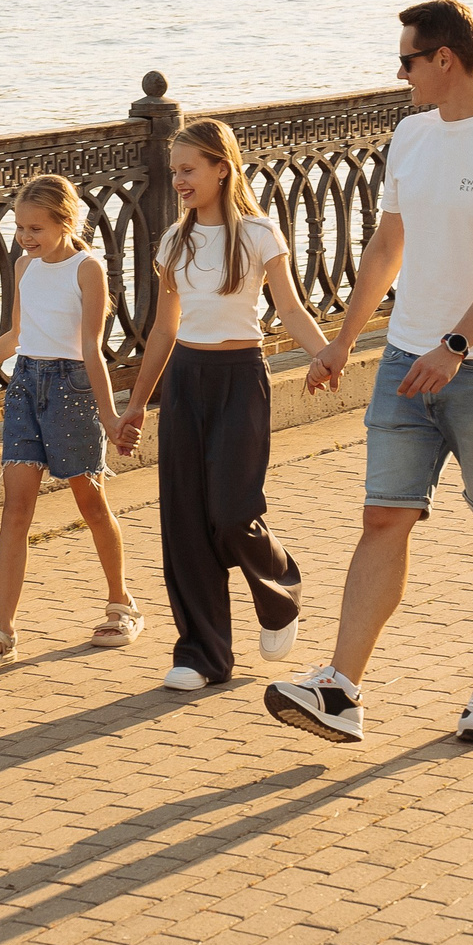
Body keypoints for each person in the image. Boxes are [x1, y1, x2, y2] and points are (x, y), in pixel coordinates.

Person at [269, 0, 473, 745]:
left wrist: (454, 345)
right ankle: (340, 688)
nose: (400, 74)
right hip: (404, 362)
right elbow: (386, 246)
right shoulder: (410, 135)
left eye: (407, 61)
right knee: (383, 515)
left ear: (444, 60)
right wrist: (342, 341)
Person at [113, 119, 331, 691]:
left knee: (233, 509)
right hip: (186, 379)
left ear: (221, 168)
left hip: (241, 378)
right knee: (184, 519)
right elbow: (163, 330)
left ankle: (279, 585)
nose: (179, 180)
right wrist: (135, 404)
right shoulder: (173, 240)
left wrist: (324, 356)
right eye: (174, 171)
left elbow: (289, 306)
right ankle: (202, 655)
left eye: (188, 170)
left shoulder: (259, 235)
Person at [0, 174, 145, 674]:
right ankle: (3, 631)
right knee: (16, 510)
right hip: (26, 385)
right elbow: (17, 335)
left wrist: (111, 415)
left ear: (65, 222)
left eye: (36, 228)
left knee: (90, 502)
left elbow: (92, 348)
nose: (26, 237)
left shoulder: (87, 268)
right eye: (20, 227)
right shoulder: (24, 265)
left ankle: (122, 604)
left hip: (72, 390)